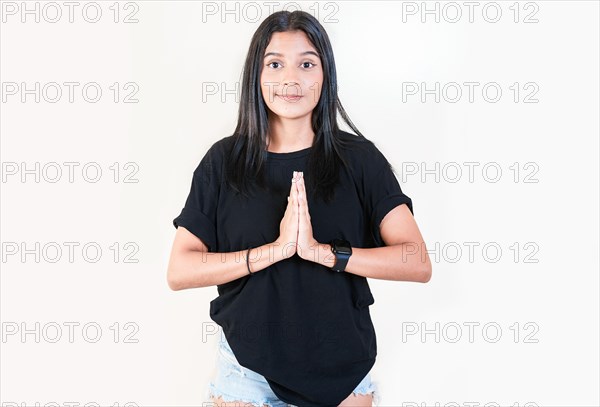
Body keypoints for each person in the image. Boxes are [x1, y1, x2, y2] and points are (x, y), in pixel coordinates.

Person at [167, 9, 432, 407]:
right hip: (246, 371)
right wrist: (271, 252)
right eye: (275, 64)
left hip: (343, 372)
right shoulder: (223, 162)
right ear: (257, 75)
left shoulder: (359, 161)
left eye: (307, 64)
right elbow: (180, 270)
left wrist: (323, 254)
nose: (291, 79)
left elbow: (416, 261)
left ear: (325, 75)